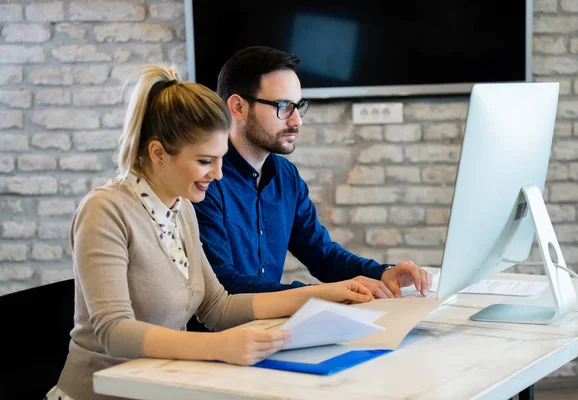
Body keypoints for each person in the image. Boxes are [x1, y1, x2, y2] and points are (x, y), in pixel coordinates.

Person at [44, 64, 374, 400]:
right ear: (158, 153)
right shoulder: (105, 210)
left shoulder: (181, 207)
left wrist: (323, 294)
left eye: (220, 160)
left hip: (161, 387)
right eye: (205, 161)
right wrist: (218, 346)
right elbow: (113, 331)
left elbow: (218, 306)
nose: (217, 175)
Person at [193, 46, 433, 299]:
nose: (297, 121)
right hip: (219, 336)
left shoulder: (286, 177)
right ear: (239, 107)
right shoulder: (205, 179)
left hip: (269, 327)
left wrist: (383, 272)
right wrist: (323, 293)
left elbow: (322, 255)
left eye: (298, 106)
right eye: (283, 106)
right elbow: (223, 284)